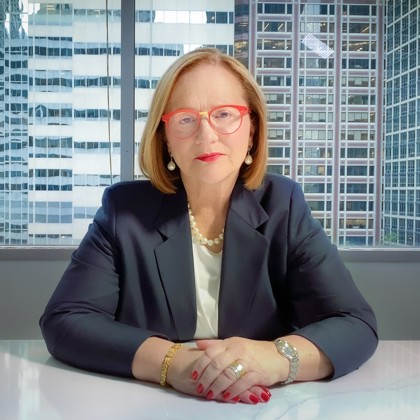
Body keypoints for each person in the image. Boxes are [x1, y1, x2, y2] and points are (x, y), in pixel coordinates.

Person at [40, 47, 378, 405]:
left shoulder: (284, 204)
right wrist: (172, 363)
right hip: (148, 406)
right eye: (185, 119)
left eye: (225, 114)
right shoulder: (124, 211)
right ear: (165, 138)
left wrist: (274, 359)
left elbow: (354, 322)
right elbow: (66, 320)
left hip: (267, 408)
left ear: (252, 131)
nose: (207, 134)